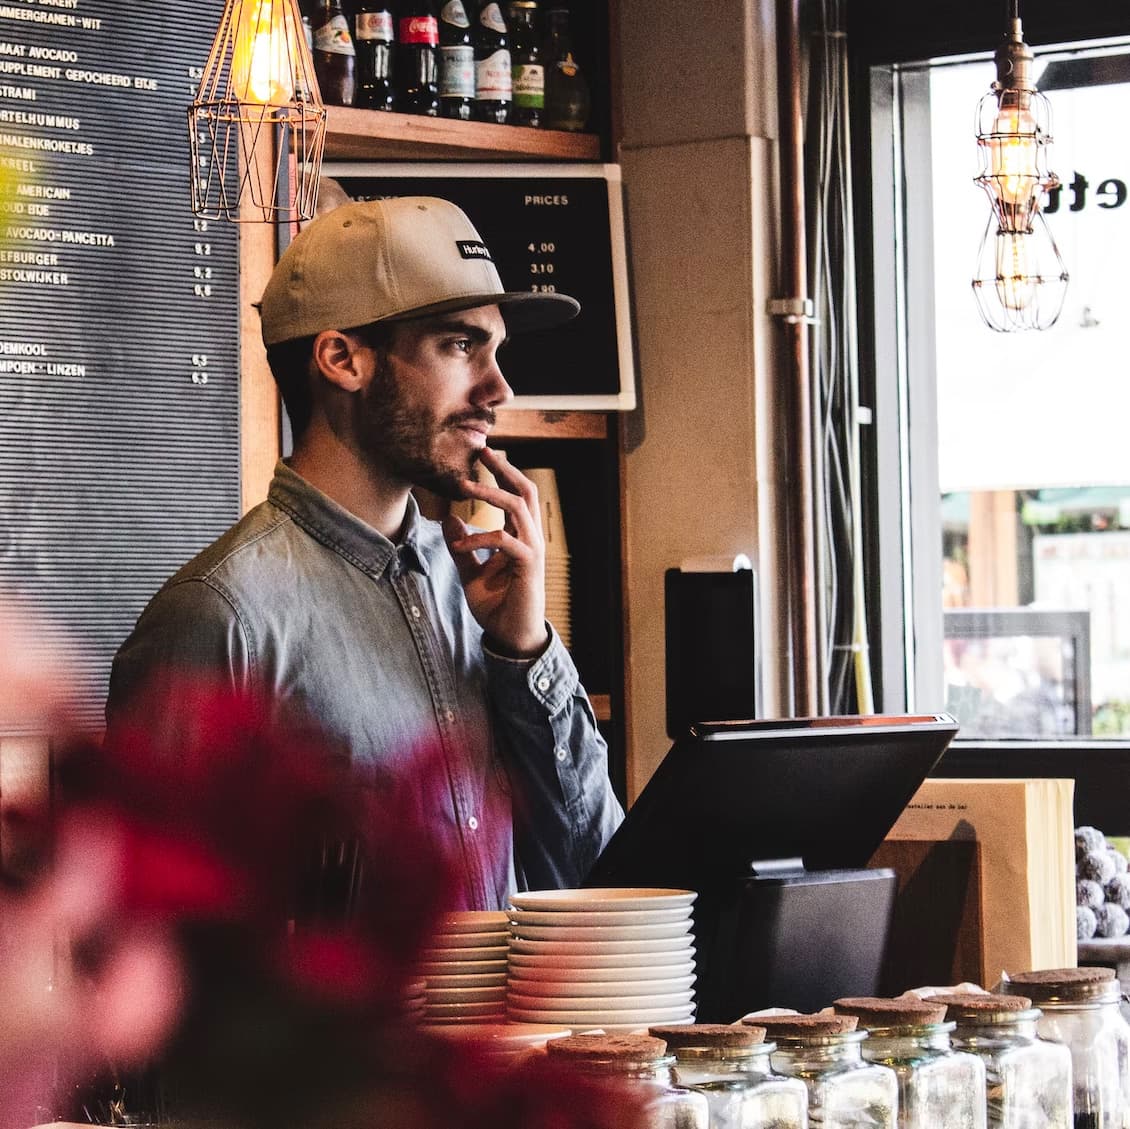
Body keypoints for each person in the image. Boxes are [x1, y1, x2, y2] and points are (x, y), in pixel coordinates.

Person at [106, 196, 623, 910]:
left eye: (496, 350)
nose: (499, 388)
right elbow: (160, 948)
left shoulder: (485, 595)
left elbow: (596, 875)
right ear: (342, 359)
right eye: (459, 345)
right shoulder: (218, 619)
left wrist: (525, 651)